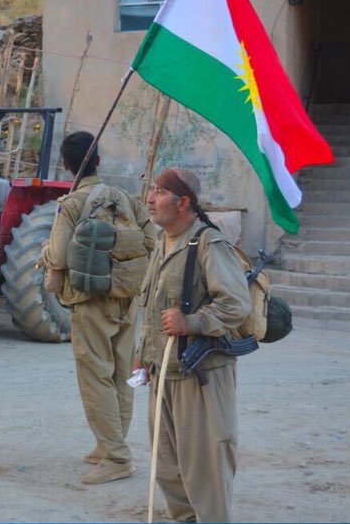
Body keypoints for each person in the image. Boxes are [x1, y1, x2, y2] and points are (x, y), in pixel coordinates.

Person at [135, 167, 251, 522]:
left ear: (183, 202)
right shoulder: (162, 242)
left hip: (201, 377)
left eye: (159, 191)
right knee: (169, 468)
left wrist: (193, 322)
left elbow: (236, 304)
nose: (150, 199)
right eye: (151, 189)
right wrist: (143, 355)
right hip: (163, 373)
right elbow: (152, 304)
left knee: (206, 472)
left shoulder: (208, 243)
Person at [44, 131, 155, 484]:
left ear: (65, 165)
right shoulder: (124, 197)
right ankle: (109, 445)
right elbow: (152, 239)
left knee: (95, 377)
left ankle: (117, 458)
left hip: (89, 301)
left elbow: (59, 255)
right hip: (126, 296)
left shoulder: (72, 203)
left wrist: (43, 254)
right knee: (121, 373)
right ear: (98, 162)